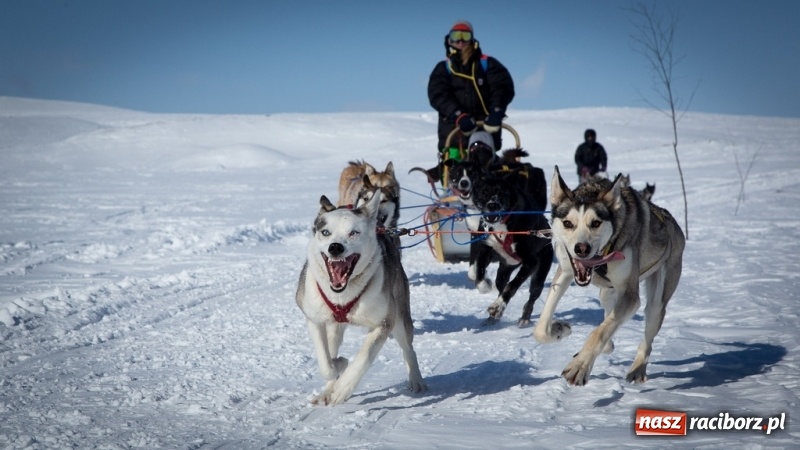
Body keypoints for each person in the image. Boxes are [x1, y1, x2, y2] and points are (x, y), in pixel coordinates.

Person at [428, 20, 515, 162]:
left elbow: (502, 88)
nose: (461, 41)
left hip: (486, 134)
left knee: (487, 175)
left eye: (465, 36)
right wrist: (459, 116)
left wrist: (496, 112)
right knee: (455, 178)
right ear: (449, 40)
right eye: (456, 36)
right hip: (455, 136)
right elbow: (438, 95)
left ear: (472, 39)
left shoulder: (488, 64)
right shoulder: (444, 68)